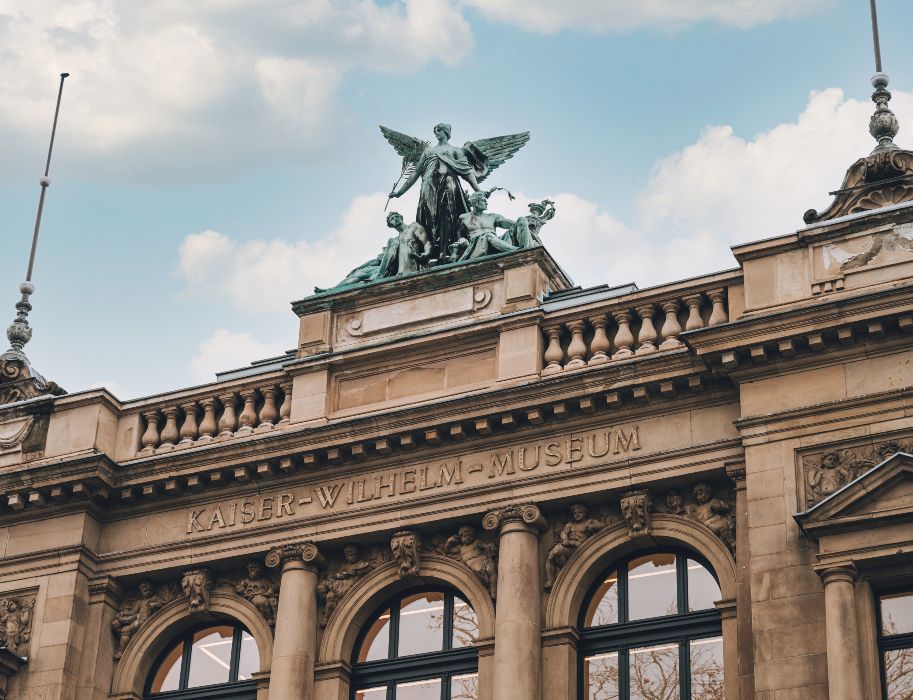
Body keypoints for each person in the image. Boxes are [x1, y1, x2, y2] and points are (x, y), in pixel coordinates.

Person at [389, 123, 482, 258]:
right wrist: (400, 192)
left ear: (446, 132)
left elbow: (467, 172)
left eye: (439, 130)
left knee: (447, 215)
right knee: (430, 217)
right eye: (435, 131)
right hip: (429, 187)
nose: (436, 133)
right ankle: (431, 248)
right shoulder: (428, 152)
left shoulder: (456, 151)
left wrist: (478, 189)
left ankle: (444, 251)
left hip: (449, 184)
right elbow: (415, 173)